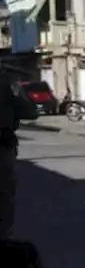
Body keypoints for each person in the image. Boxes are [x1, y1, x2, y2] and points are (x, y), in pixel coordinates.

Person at [0, 72, 40, 240]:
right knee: (4, 194)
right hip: (3, 149)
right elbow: (30, 111)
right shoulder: (5, 85)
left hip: (3, 146)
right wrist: (19, 92)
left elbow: (30, 112)